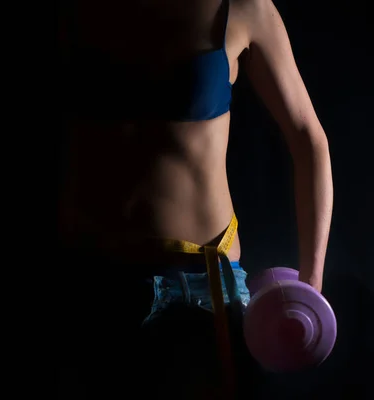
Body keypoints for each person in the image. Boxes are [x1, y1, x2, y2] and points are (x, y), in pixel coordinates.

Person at [57, 0, 334, 398]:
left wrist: (312, 284)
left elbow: (309, 139)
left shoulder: (243, 8)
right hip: (87, 283)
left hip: (200, 294)